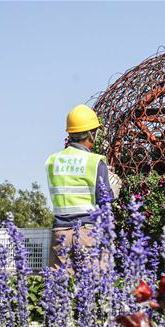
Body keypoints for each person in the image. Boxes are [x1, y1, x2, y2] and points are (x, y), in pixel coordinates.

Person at [45, 104, 113, 268]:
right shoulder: (95, 162)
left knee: (60, 289)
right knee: (92, 287)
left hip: (59, 233)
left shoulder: (52, 161)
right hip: (86, 233)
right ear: (91, 133)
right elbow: (105, 201)